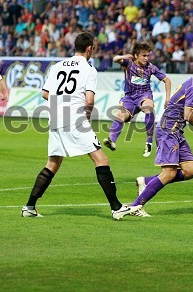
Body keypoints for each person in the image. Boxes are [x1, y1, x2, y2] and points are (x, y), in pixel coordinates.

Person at [21, 32, 141, 220]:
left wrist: (62, 102)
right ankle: (117, 207)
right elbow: (89, 100)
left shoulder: (58, 65)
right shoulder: (89, 69)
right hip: (75, 118)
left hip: (55, 118)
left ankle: (29, 207)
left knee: (52, 164)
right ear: (89, 48)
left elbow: (45, 94)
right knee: (101, 160)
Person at [131, 54, 193, 217]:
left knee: (190, 170)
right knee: (169, 173)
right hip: (169, 130)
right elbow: (187, 115)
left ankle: (147, 182)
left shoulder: (192, 82)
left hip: (175, 130)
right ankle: (135, 206)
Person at [103, 42, 172, 158]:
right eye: (143, 55)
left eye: (147, 55)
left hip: (144, 95)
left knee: (148, 108)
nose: (146, 58)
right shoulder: (128, 63)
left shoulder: (151, 67)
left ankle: (149, 142)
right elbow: (115, 59)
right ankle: (112, 140)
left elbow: (167, 80)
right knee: (120, 115)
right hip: (129, 97)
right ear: (136, 55)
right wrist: (125, 56)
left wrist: (168, 98)